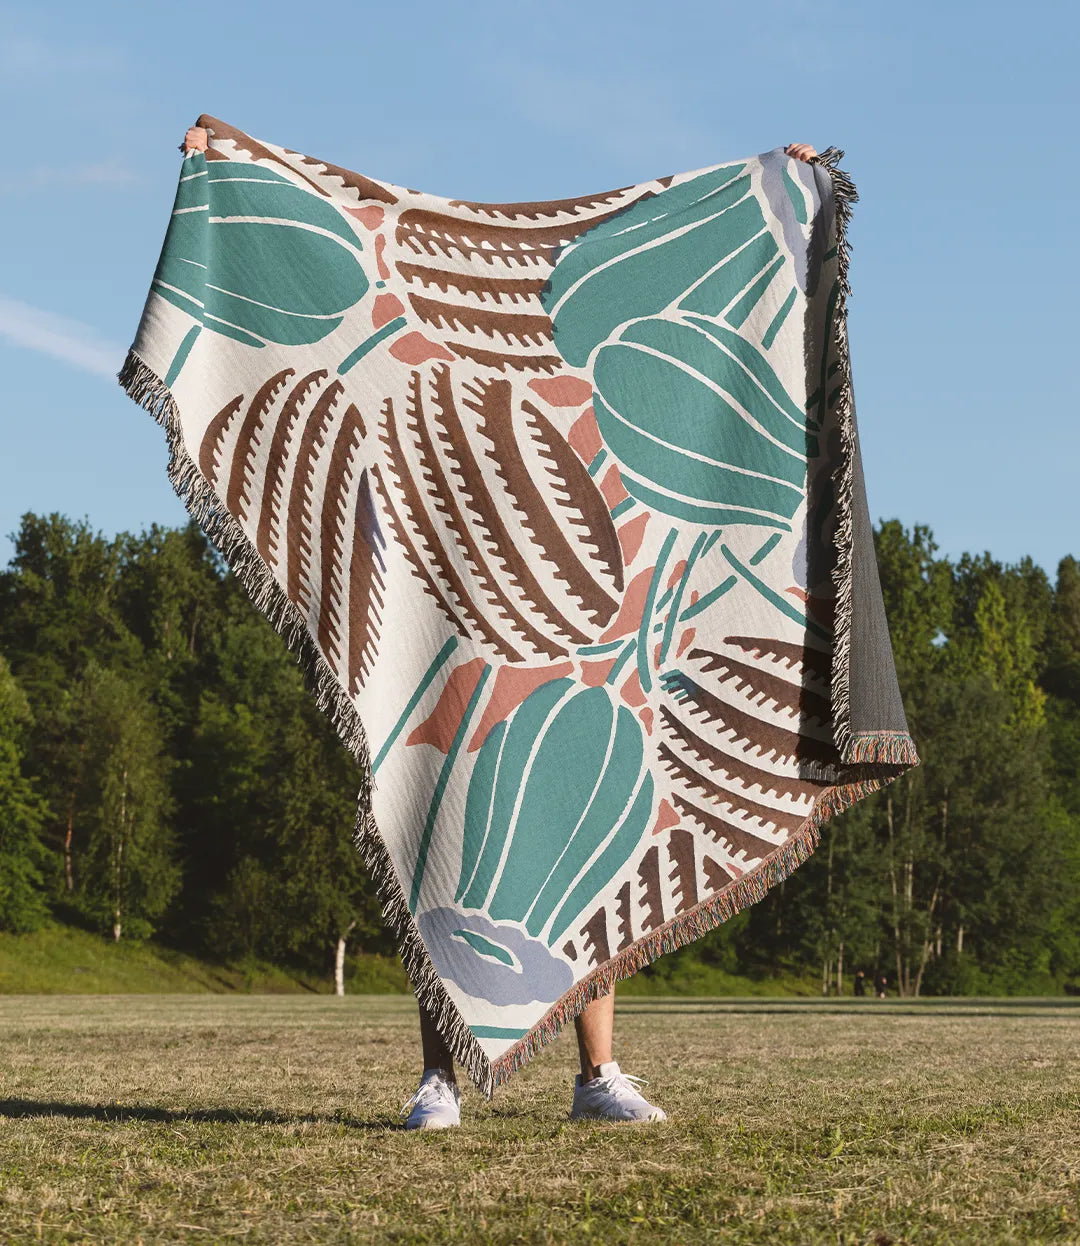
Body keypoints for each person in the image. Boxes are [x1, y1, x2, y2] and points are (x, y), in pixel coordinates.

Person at [179, 124, 819, 1128]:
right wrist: (228, 162)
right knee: (446, 842)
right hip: (455, 641)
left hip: (576, 643)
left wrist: (778, 189)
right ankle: (439, 1077)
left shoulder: (580, 370)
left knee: (584, 851)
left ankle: (598, 1074)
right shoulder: (432, 379)